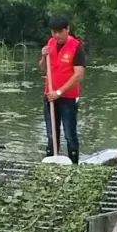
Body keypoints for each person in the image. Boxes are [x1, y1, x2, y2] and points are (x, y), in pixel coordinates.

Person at [39, 15, 86, 164]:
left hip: (68, 98)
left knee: (70, 135)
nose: (56, 35)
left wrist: (59, 92)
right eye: (54, 32)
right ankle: (52, 164)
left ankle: (74, 166)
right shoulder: (50, 43)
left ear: (67, 30)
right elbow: (42, 68)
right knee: (52, 135)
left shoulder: (77, 46)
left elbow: (79, 75)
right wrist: (43, 56)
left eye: (60, 32)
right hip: (50, 96)